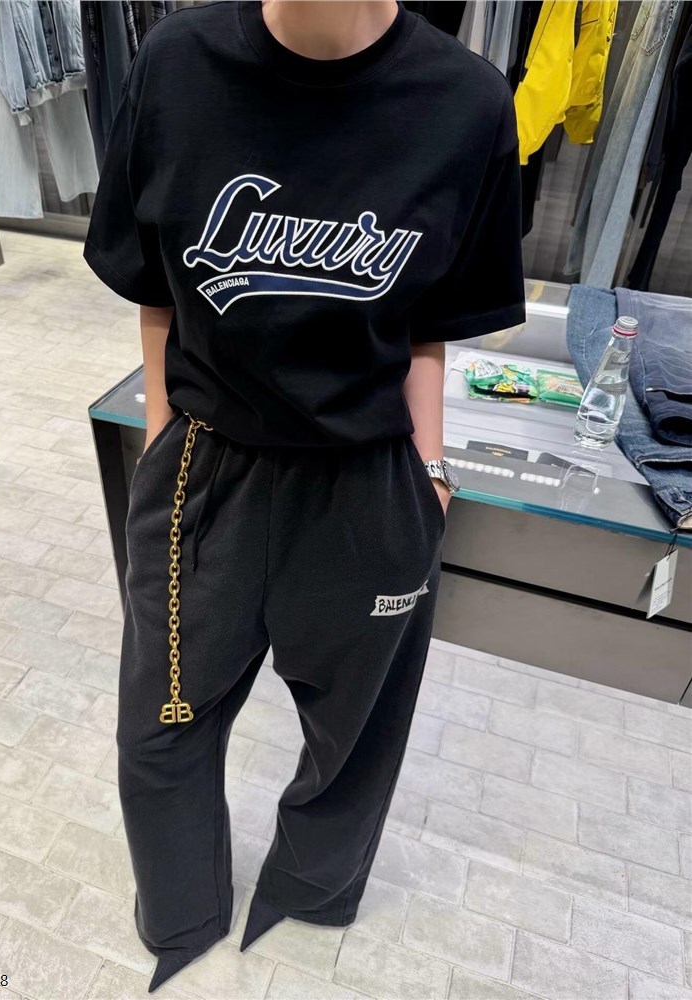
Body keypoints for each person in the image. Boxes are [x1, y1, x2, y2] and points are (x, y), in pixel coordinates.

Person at [83, 0, 526, 992]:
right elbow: (154, 284)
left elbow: (431, 322)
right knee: (161, 726)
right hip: (207, 465)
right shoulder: (178, 64)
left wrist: (430, 472)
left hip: (370, 479)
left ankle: (313, 891)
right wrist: (161, 435)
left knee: (356, 735)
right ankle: (181, 911)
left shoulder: (464, 102)